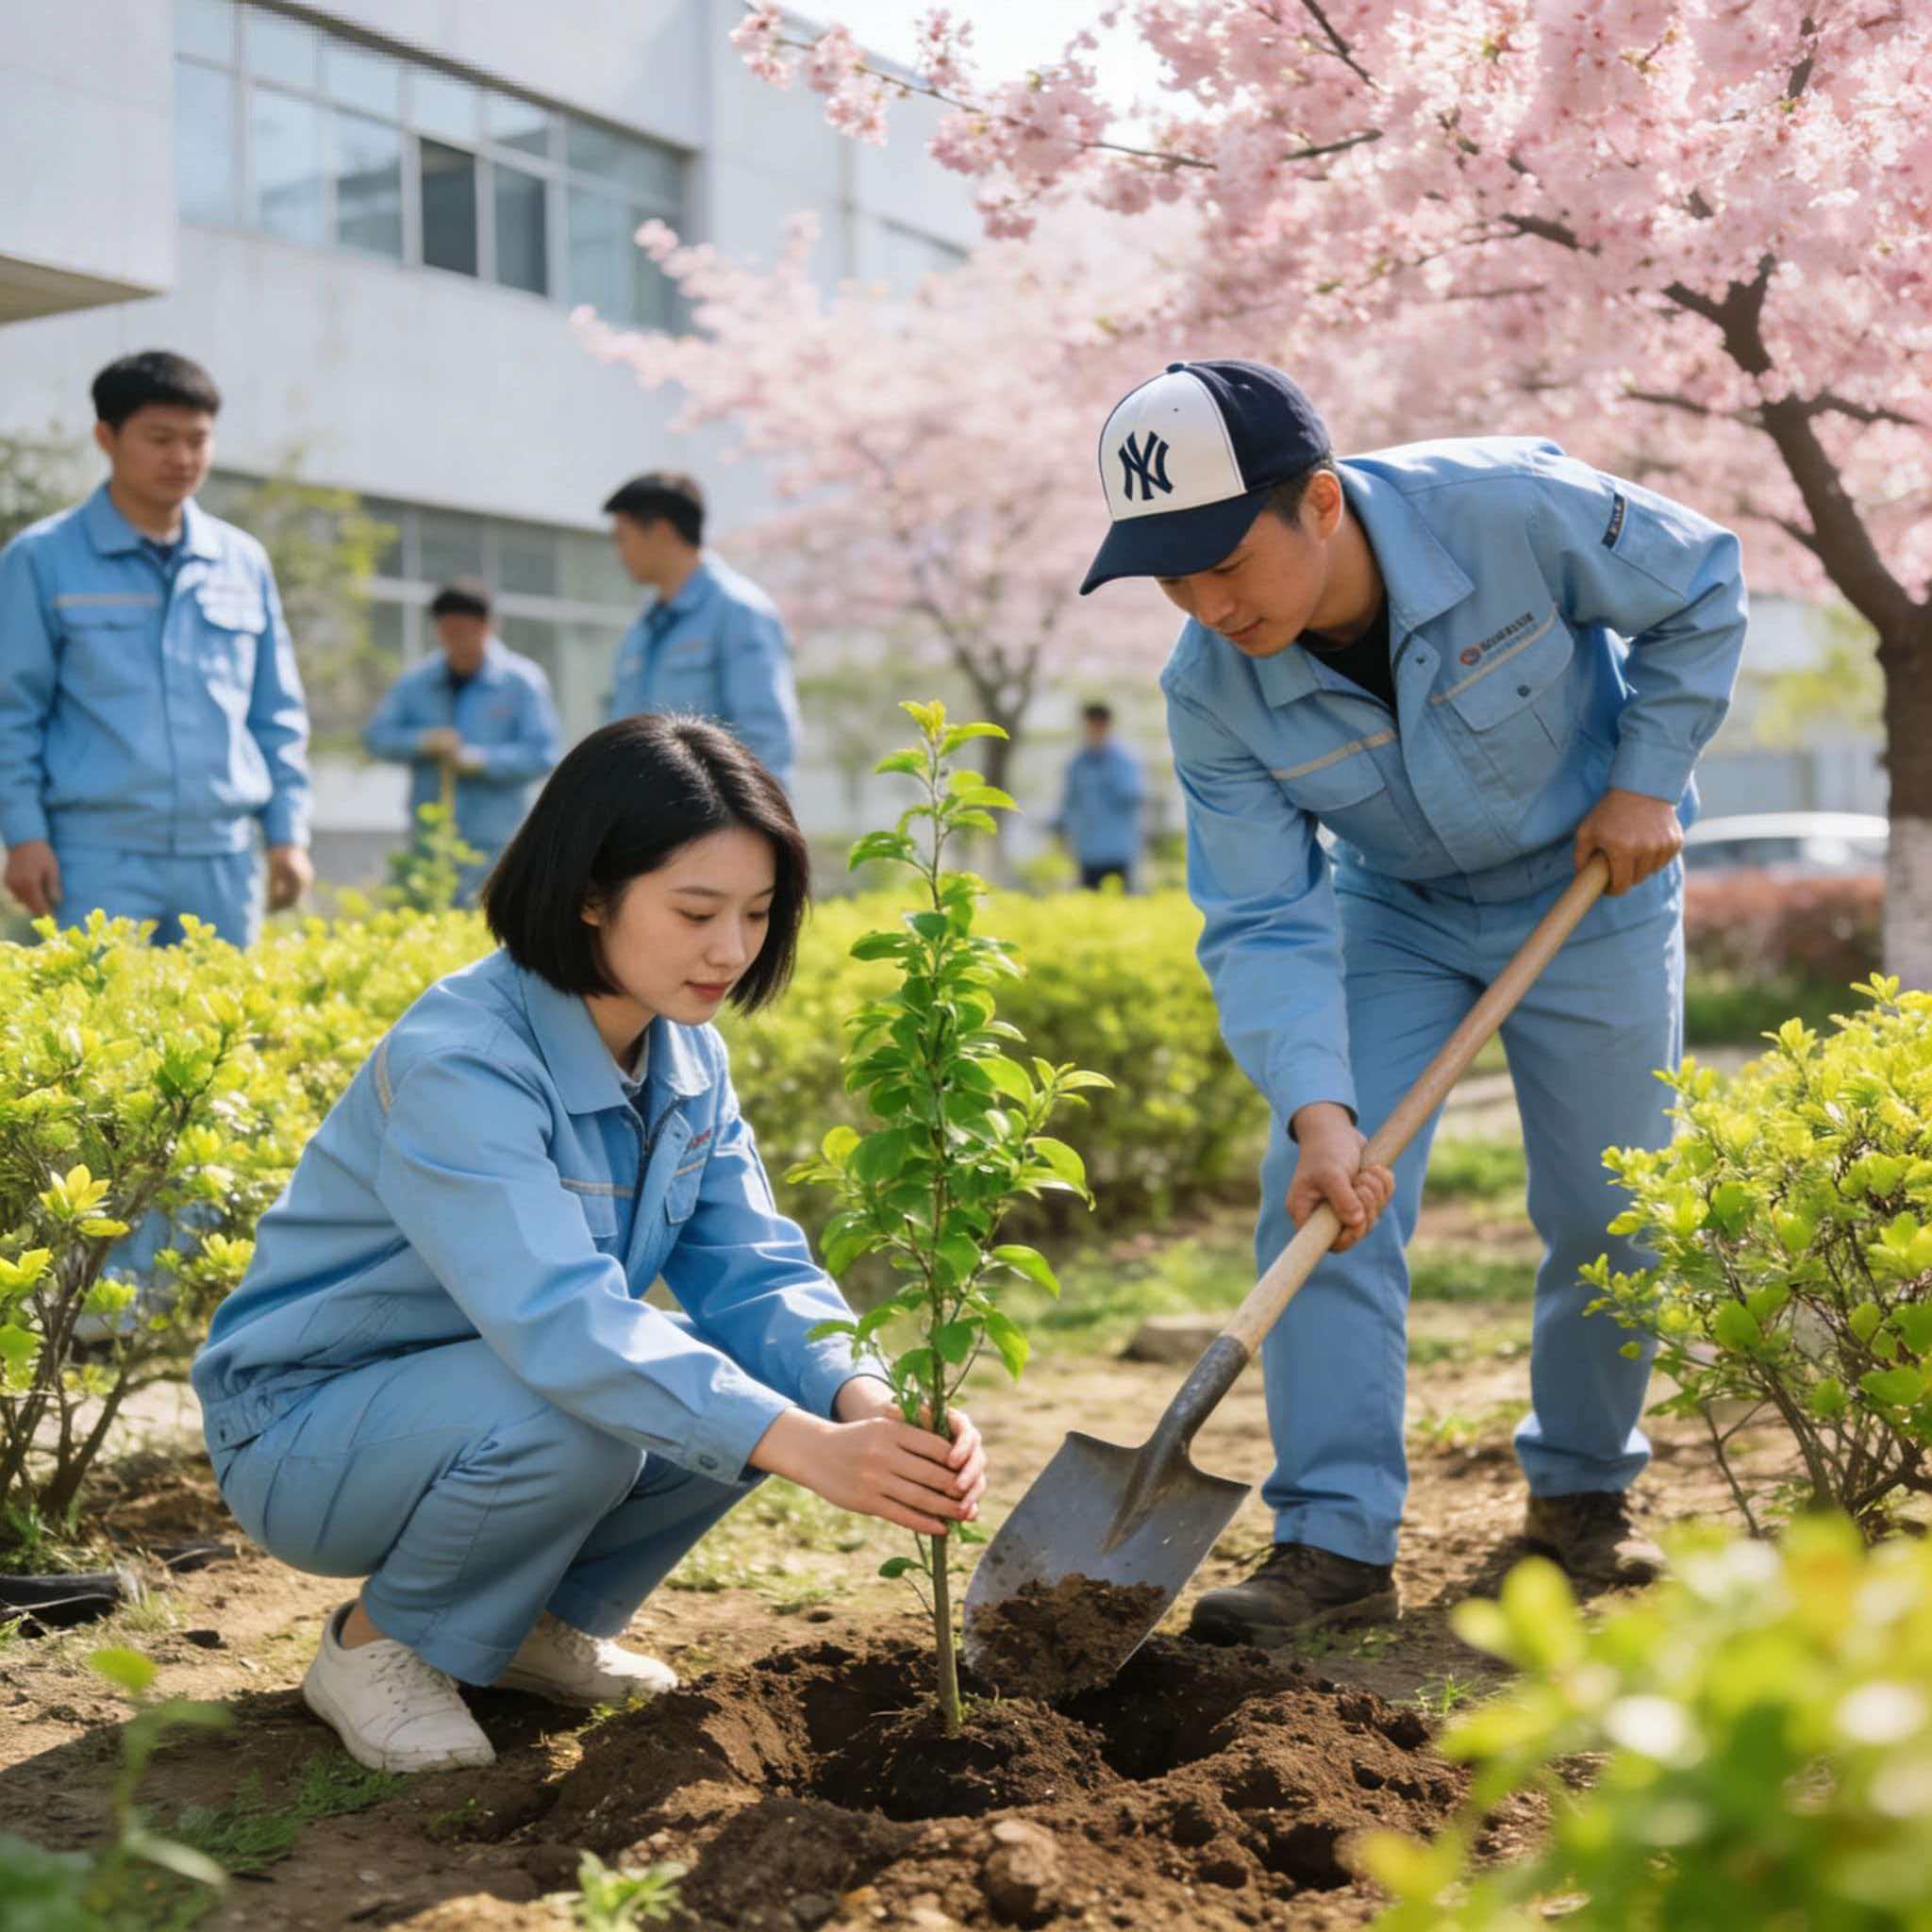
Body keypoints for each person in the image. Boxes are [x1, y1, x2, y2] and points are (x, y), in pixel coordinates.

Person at [1079, 359, 1746, 1643]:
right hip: (1396, 917)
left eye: (1225, 560)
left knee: (1609, 1205)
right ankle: (1332, 1537)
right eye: (1172, 577)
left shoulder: (1505, 508)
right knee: (1329, 1207)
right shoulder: (1208, 692)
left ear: (1318, 503)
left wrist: (1648, 779)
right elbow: (1263, 914)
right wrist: (1315, 1108)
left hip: (1590, 885)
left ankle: (1582, 1497)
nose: (1208, 604)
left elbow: (1703, 582)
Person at [192, 715, 985, 1773]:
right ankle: (376, 1647)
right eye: (696, 910)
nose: (731, 949)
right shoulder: (463, 1058)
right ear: (588, 892)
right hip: (311, 1428)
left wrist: (862, 1399)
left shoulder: (686, 1056)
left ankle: (525, 1626)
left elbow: (755, 1268)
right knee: (596, 1409)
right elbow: (558, 1319)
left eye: (755, 913)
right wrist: (799, 1446)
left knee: (749, 1379)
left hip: (489, 1392)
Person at [0, 350, 311, 945]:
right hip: (93, 859)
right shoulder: (42, 560)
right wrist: (24, 836)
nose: (183, 458)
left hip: (222, 859)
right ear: (106, 437)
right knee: (95, 1035)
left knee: (215, 1036)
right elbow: (13, 711)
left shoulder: (242, 562)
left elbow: (276, 713)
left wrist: (287, 834)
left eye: (198, 439)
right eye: (161, 438)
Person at [362, 578, 561, 903]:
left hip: (499, 839)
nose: (454, 641)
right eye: (446, 632)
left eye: (463, 631)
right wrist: (421, 742)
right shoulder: (417, 682)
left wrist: (478, 760)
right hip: (431, 837)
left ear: (488, 627)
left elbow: (543, 754)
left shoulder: (521, 682)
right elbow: (376, 738)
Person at [604, 472, 800, 789]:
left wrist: (751, 829)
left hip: (714, 827)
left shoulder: (739, 611)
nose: (619, 552)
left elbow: (766, 736)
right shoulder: (642, 628)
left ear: (662, 531)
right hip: (644, 821)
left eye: (622, 537)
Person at [1052, 701, 1147, 890]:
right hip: (1086, 850)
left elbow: (1133, 796)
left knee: (1120, 906)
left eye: (1096, 724)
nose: (1092, 729)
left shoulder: (1123, 759)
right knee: (1090, 905)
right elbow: (1069, 802)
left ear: (1106, 724)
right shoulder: (1077, 762)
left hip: (1118, 849)